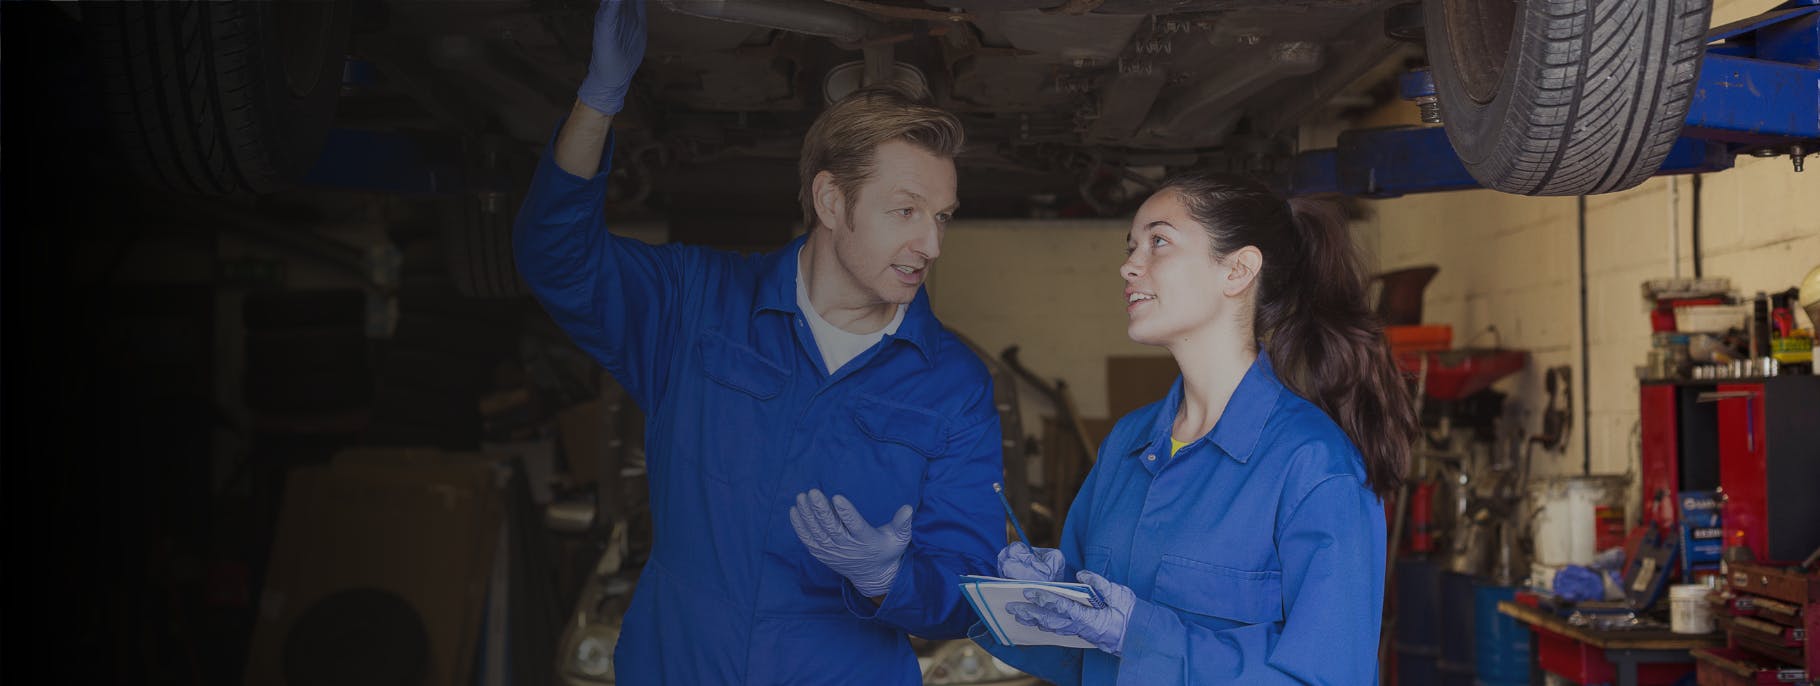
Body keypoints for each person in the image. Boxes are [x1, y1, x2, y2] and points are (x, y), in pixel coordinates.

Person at [513, 2, 1004, 683]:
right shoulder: (695, 303)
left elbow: (968, 589)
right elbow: (554, 257)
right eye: (905, 212)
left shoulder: (954, 386)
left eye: (942, 218)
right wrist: (599, 100)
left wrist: (894, 577)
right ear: (831, 202)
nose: (932, 244)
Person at [975, 172, 1418, 684]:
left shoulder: (1313, 463)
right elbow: (1076, 658)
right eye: (1132, 245)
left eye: (1158, 242)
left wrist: (1140, 637)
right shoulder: (1127, 443)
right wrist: (1039, 604)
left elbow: (1329, 677)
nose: (1128, 265)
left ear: (1238, 270)